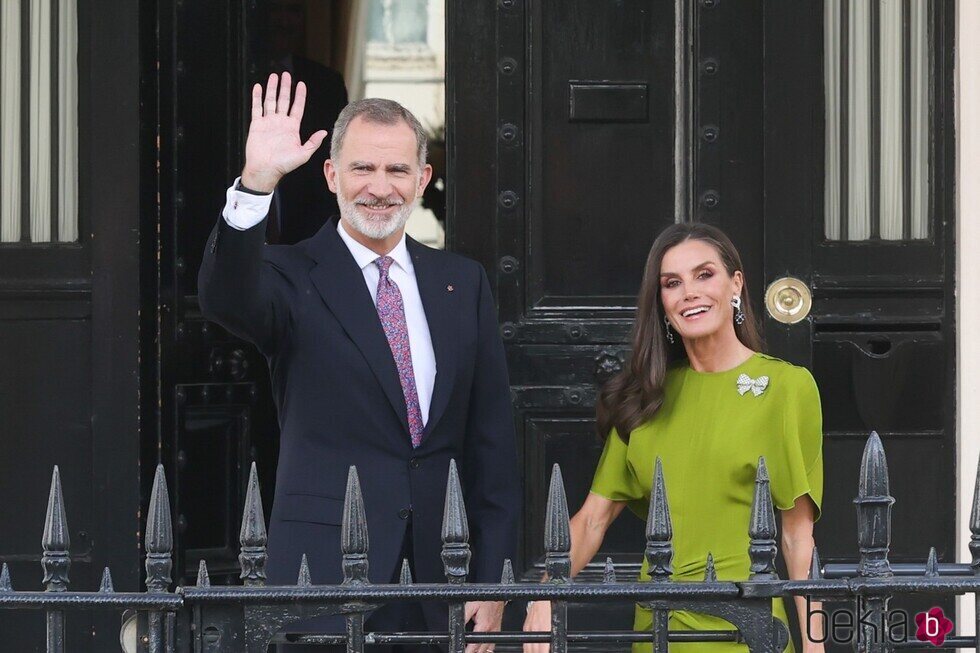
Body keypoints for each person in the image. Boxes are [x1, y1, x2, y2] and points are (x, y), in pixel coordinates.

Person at [198, 73, 519, 653]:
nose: (380, 187)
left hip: (440, 578)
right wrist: (257, 182)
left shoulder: (461, 283)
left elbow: (489, 442)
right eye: (362, 168)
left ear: (423, 179)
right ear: (331, 176)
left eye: (397, 170)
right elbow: (225, 298)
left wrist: (493, 579)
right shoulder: (290, 274)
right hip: (323, 575)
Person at [522, 223, 825, 653]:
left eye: (705, 275)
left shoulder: (787, 388)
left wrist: (815, 646)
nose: (689, 293)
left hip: (745, 626)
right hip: (657, 626)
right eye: (672, 283)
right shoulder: (645, 396)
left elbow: (798, 536)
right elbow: (593, 520)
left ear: (735, 284)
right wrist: (546, 592)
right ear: (661, 303)